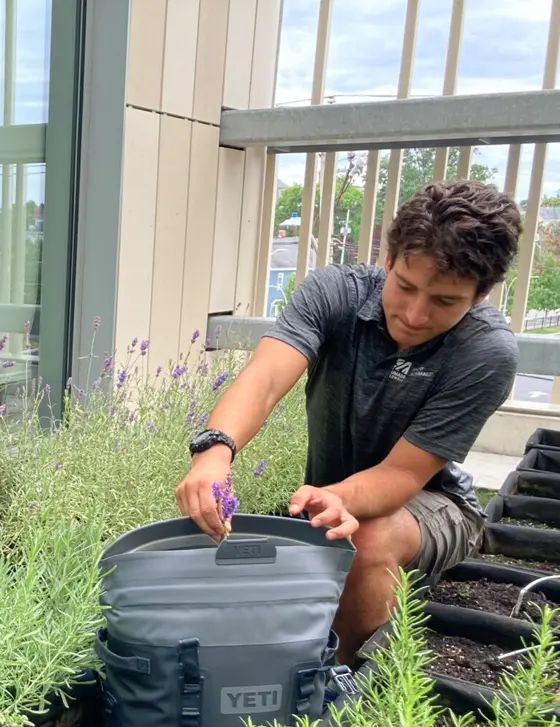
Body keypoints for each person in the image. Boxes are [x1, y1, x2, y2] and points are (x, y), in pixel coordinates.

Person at [176, 180, 522, 664]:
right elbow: (266, 377)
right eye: (405, 286)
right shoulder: (335, 293)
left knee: (362, 541)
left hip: (436, 501)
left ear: (480, 294)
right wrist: (214, 450)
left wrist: (337, 497)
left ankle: (343, 684)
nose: (416, 313)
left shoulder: (487, 351)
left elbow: (403, 474)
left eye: (444, 302)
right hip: (329, 493)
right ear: (389, 260)